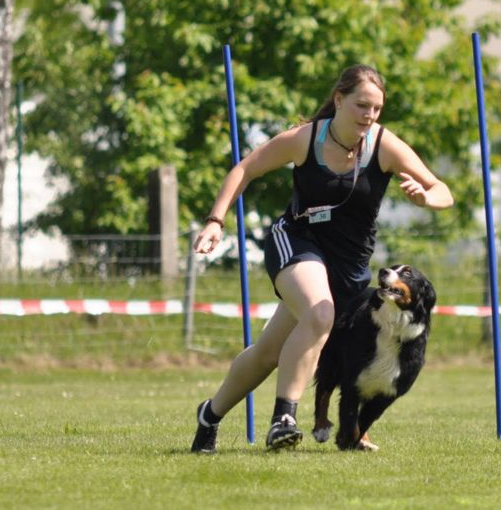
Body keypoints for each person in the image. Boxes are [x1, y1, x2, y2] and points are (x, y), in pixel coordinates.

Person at [190, 64, 454, 453]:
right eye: (362, 105)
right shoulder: (304, 139)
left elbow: (442, 190)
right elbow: (245, 169)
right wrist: (216, 221)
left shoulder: (383, 145)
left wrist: (426, 197)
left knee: (268, 354)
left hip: (347, 269)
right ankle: (284, 418)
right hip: (296, 241)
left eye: (377, 109)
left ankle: (208, 416)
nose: (370, 116)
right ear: (338, 100)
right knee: (320, 313)